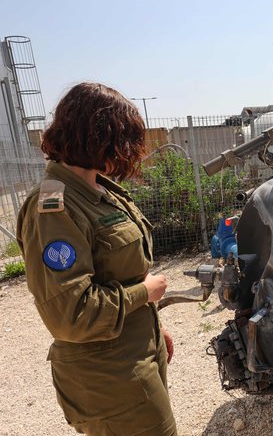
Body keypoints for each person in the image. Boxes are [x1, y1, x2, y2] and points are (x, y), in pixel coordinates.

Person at [16, 82, 177, 435]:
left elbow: (117, 274)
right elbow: (71, 314)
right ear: (96, 137)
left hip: (135, 359)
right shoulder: (53, 207)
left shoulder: (96, 189)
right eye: (123, 140)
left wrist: (152, 327)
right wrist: (144, 294)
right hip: (109, 379)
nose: (129, 152)